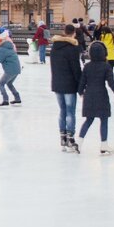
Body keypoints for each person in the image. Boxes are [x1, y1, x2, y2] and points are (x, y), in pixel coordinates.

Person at [78, 41, 114, 154]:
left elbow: (82, 82)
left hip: (89, 95)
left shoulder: (87, 66)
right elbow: (112, 83)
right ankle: (104, 145)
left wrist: (81, 92)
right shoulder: (106, 66)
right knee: (104, 120)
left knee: (88, 120)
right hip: (101, 95)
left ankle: (79, 143)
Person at [49, 24, 83, 153]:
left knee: (62, 110)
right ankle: (70, 137)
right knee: (70, 111)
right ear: (73, 33)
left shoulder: (55, 47)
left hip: (57, 83)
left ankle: (62, 137)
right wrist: (81, 86)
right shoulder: (73, 48)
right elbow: (76, 69)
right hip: (69, 84)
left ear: (64, 32)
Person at [0, 28, 22, 106]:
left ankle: (5, 100)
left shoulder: (2, 49)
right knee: (9, 83)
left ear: (0, 42)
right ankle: (17, 98)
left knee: (1, 84)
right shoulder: (9, 46)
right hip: (16, 69)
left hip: (10, 70)